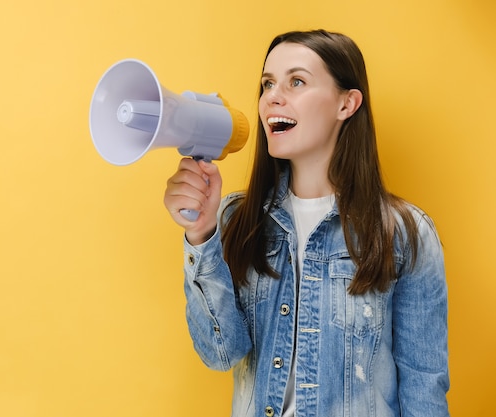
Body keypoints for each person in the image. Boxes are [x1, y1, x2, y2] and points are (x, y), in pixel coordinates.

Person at [163, 29, 449, 417]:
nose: (272, 97)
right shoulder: (235, 220)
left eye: (296, 81)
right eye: (267, 84)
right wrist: (201, 235)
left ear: (346, 104)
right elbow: (220, 353)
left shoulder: (404, 234)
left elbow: (424, 389)